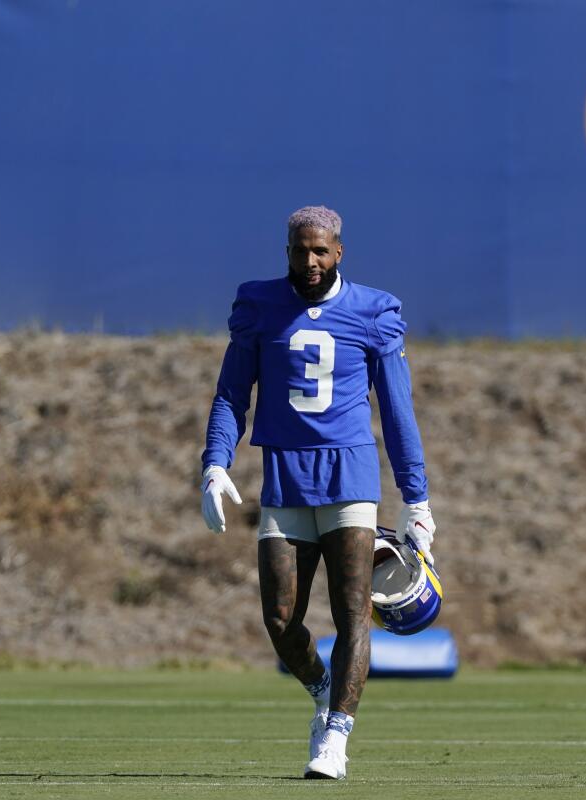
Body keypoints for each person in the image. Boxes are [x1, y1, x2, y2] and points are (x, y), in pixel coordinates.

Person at [199, 205, 436, 780]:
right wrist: (214, 462)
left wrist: (416, 499)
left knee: (352, 611)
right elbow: (233, 393)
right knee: (280, 620)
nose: (310, 261)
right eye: (300, 250)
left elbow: (397, 409)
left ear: (339, 252)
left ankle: (336, 738)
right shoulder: (259, 306)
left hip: (350, 476)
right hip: (285, 475)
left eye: (320, 251)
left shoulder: (374, 311)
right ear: (287, 251)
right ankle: (324, 691)